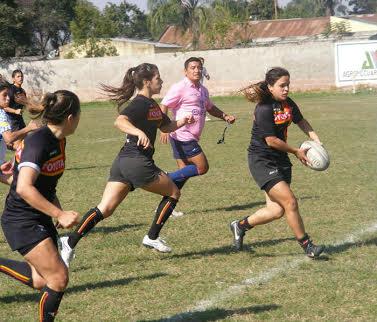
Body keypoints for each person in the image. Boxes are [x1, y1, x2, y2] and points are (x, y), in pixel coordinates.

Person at [59, 63, 194, 265]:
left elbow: (165, 127)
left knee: (105, 208)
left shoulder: (152, 105)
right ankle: (152, 237)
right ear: (147, 82)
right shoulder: (140, 103)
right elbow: (120, 121)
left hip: (124, 162)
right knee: (173, 192)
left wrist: (183, 121)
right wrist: (138, 132)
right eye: (158, 78)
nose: (161, 81)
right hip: (136, 161)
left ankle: (69, 241)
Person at [0, 90, 81, 321]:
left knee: (41, 280)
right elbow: (24, 188)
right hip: (22, 220)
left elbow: (44, 182)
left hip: (37, 217)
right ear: (70, 118)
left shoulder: (59, 140)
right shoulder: (39, 141)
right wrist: (60, 213)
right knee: (58, 278)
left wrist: (55, 206)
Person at [229, 67, 324, 259]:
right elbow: (271, 140)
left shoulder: (288, 104)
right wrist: (296, 151)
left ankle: (239, 226)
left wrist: (316, 140)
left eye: (288, 84)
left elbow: (301, 121)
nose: (286, 89)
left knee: (276, 210)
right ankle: (307, 246)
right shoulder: (263, 108)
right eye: (282, 85)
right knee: (290, 202)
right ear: (270, 87)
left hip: (281, 159)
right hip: (262, 160)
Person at [159, 57, 236, 216]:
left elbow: (210, 107)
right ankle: (166, 177)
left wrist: (224, 116)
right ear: (185, 71)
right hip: (182, 135)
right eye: (193, 68)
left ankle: (167, 206)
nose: (197, 70)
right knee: (202, 167)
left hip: (189, 136)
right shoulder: (180, 87)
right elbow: (164, 104)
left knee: (183, 173)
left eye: (199, 68)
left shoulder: (202, 90)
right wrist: (163, 128)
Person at [0, 80, 38, 184]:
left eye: (8, 95)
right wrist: (28, 128)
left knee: (20, 185)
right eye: (4, 95)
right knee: (23, 185)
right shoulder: (1, 115)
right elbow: (8, 138)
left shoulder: (2, 112)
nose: (8, 98)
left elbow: (7, 142)